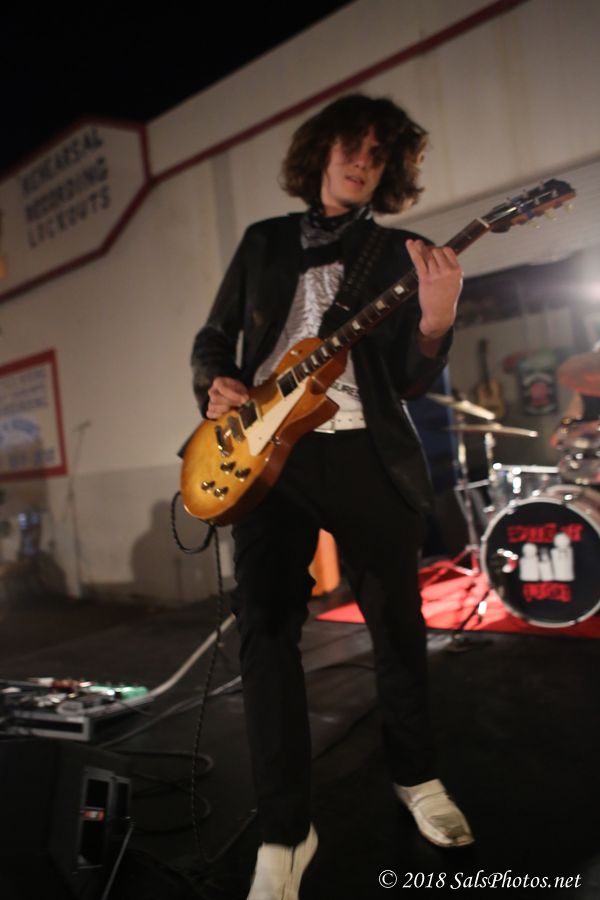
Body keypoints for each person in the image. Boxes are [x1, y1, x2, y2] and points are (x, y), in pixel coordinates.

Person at [190, 94, 473, 900]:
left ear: (391, 171)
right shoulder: (264, 242)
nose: (362, 162)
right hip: (266, 454)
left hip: (363, 449)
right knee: (265, 630)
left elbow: (411, 379)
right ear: (322, 150)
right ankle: (286, 828)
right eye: (353, 146)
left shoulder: (398, 253)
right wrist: (215, 384)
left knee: (398, 624)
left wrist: (437, 319)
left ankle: (415, 777)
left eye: (379, 155)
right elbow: (213, 339)